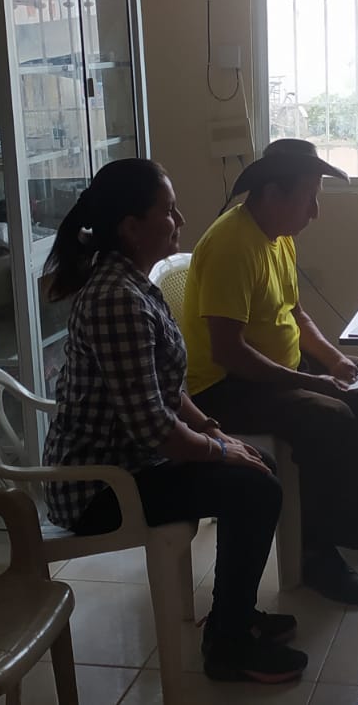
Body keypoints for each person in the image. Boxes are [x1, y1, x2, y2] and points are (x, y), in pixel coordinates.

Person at [40, 158, 308, 685]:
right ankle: (228, 647)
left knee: (258, 468)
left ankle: (233, 616)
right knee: (255, 489)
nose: (180, 219)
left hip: (133, 463)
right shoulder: (117, 299)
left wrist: (213, 431)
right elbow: (154, 430)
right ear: (131, 227)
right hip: (100, 487)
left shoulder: (134, 284)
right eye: (168, 210)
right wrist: (222, 451)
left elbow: (166, 388)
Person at [179, 139, 358, 607]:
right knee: (327, 417)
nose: (315, 212)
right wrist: (311, 381)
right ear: (273, 193)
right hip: (225, 388)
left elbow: (295, 314)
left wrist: (334, 360)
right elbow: (229, 352)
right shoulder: (232, 245)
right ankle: (315, 553)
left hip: (275, 369)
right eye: (309, 198)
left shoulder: (279, 236)